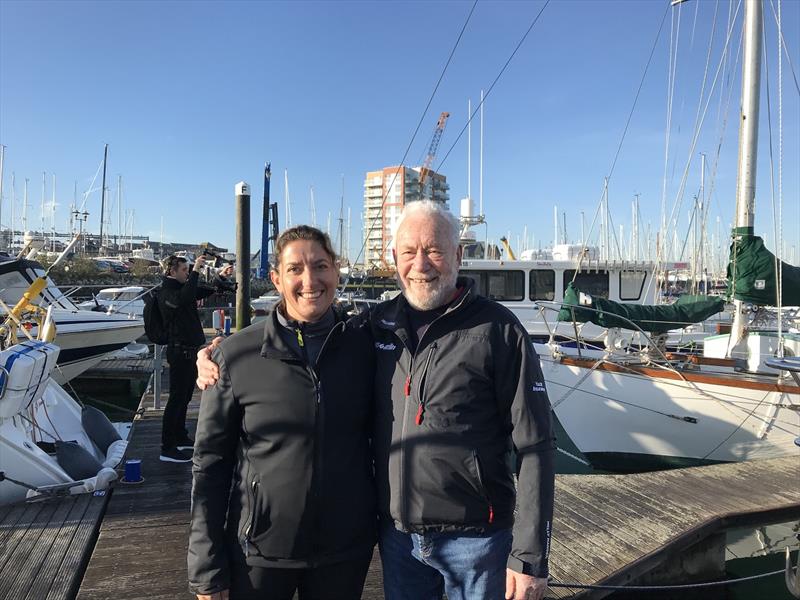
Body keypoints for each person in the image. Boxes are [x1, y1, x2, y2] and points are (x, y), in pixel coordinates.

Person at [197, 202, 555, 600]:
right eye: (408, 252)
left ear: (457, 255)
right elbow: (310, 337)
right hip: (398, 542)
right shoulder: (374, 326)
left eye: (434, 250)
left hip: (477, 543)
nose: (421, 264)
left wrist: (529, 556)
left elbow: (536, 443)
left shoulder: (500, 330)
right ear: (394, 259)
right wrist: (217, 354)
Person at [188, 226, 376, 600]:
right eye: (295, 269)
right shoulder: (236, 356)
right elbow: (209, 465)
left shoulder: (367, 345)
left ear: (337, 271)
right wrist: (206, 565)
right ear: (276, 279)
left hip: (344, 550)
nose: (310, 280)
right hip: (259, 552)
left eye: (320, 265)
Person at [158, 254, 233, 463]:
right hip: (178, 351)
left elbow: (204, 290)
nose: (187, 273)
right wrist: (197, 269)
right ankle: (167, 447)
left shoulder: (183, 289)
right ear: (171, 271)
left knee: (184, 397)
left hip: (189, 351)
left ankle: (180, 436)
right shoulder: (167, 292)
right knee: (175, 399)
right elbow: (185, 297)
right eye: (184, 270)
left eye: (187, 270)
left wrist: (220, 276)